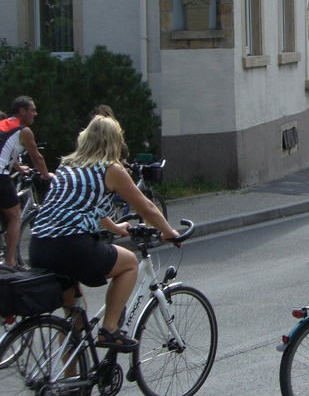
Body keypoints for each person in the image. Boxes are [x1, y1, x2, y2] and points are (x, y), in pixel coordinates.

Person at [30, 116, 179, 351]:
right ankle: (110, 330)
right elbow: (146, 207)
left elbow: (83, 203)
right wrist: (169, 231)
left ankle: (70, 385)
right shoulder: (111, 169)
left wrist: (115, 228)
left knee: (75, 319)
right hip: (71, 246)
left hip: (39, 246)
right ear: (114, 142)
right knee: (129, 262)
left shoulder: (67, 165)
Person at [0, 97, 52, 268]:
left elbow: (6, 148)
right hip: (1, 175)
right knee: (15, 217)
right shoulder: (25, 131)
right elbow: (36, 157)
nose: (35, 114)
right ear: (22, 111)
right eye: (33, 110)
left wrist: (19, 168)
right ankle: (10, 262)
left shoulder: (4, 124)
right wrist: (45, 175)